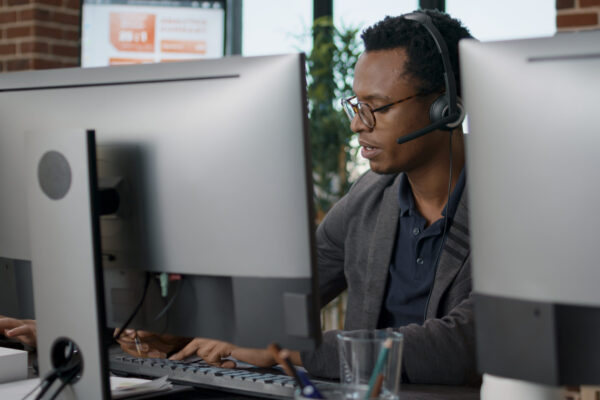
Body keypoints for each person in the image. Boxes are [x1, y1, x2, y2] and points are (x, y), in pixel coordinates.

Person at [119, 9, 478, 385]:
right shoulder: (369, 199)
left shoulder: (510, 206)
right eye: (357, 106)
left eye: (378, 107)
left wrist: (292, 349)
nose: (357, 124)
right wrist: (185, 333)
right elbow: (288, 295)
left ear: (446, 106)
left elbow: (466, 344)